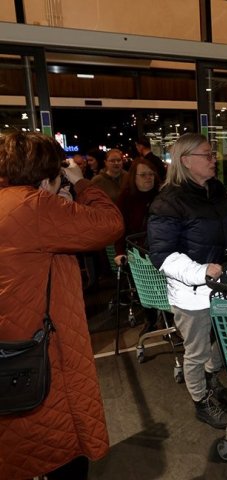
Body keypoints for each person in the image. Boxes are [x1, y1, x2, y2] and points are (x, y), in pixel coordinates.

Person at [0, 132, 124, 480]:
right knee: (58, 439)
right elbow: (109, 224)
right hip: (41, 348)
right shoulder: (35, 207)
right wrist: (82, 184)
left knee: (16, 444)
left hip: (9, 340)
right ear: (48, 174)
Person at [147, 132, 227, 429]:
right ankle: (201, 400)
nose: (213, 160)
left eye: (212, 154)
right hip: (192, 293)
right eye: (207, 155)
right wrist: (200, 271)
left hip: (223, 287)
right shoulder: (168, 202)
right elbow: (163, 255)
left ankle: (211, 379)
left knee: (224, 338)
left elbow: (226, 230)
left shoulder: (215, 189)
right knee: (196, 351)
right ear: (186, 161)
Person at [113, 157, 161, 336]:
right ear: (134, 177)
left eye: (151, 174)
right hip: (137, 251)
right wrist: (119, 252)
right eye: (143, 175)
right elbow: (119, 228)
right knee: (144, 289)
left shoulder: (161, 195)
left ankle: (170, 320)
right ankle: (151, 319)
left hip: (160, 250)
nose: (148, 178)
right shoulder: (125, 198)